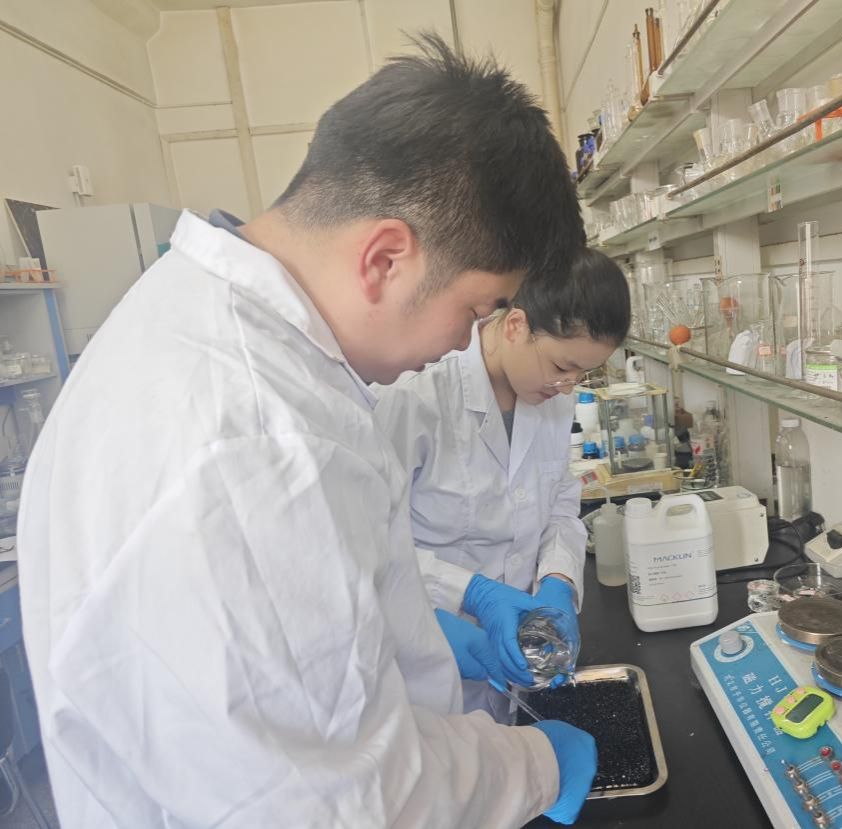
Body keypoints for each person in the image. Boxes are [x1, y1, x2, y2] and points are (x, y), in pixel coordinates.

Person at [18, 36, 598, 828]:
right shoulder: (256, 438)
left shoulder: (184, 322)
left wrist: (425, 637)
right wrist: (535, 764)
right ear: (385, 258)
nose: (465, 341)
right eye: (474, 309)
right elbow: (346, 801)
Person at [373, 249, 631, 722]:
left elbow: (559, 502)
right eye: (562, 366)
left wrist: (558, 580)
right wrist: (470, 592)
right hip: (427, 662)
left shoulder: (551, 395)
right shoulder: (415, 392)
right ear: (515, 326)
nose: (569, 385)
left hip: (519, 659)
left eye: (583, 373)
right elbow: (367, 539)